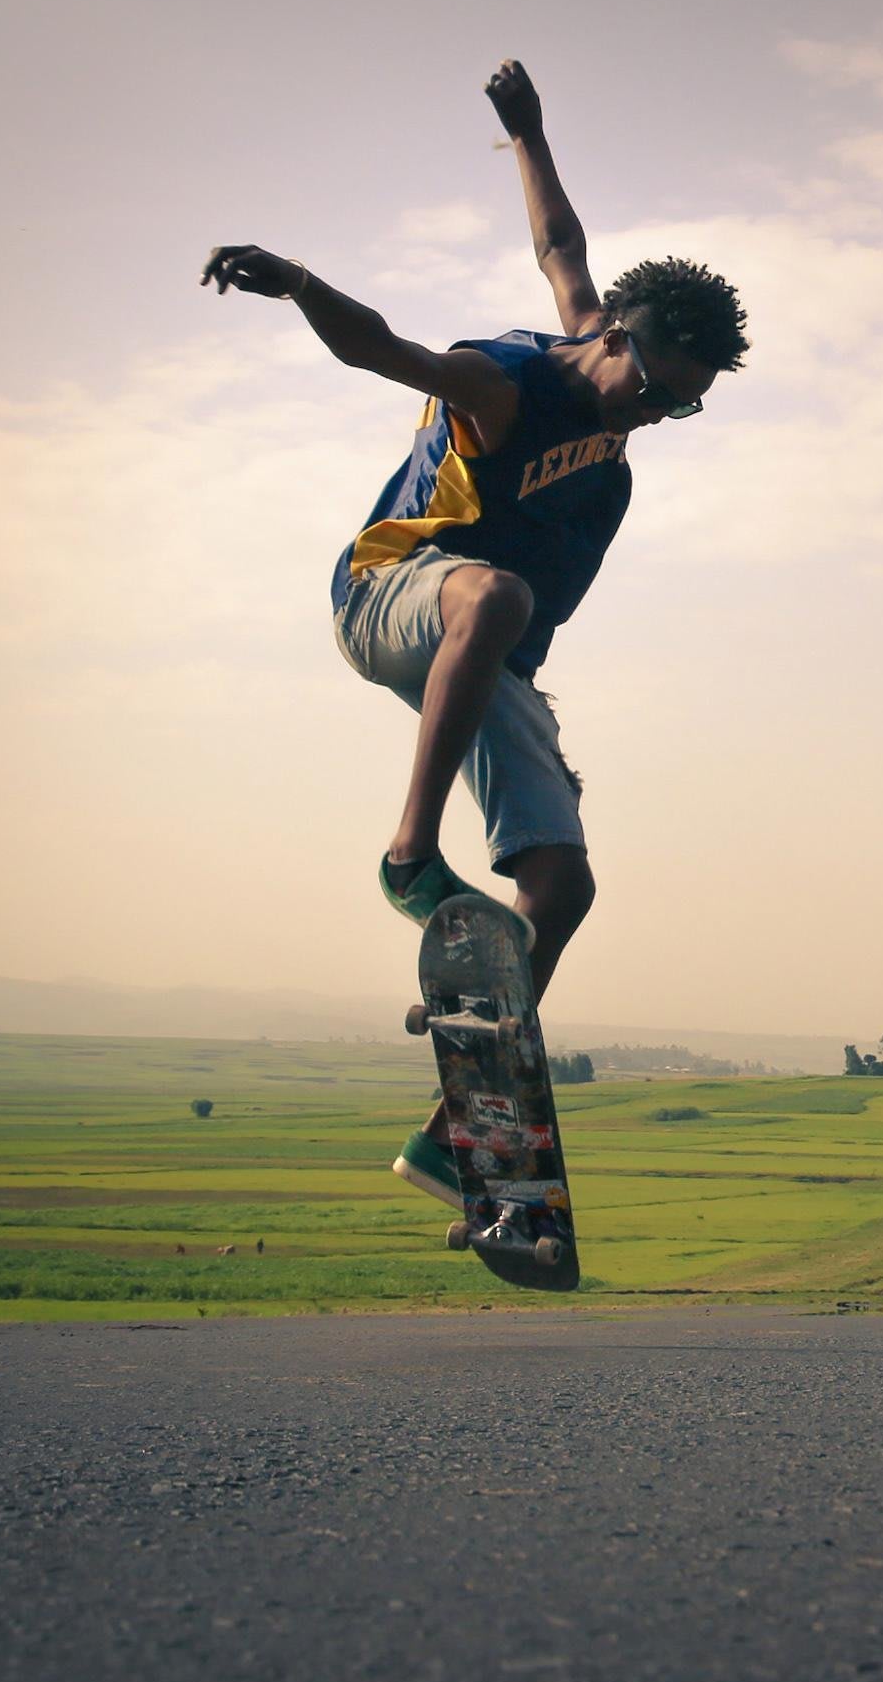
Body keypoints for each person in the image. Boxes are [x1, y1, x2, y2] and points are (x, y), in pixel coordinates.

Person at [202, 61, 748, 1205]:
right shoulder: (506, 386)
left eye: (682, 404)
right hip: (390, 593)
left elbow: (561, 246)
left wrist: (532, 133)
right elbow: (378, 348)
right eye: (655, 388)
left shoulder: (605, 344)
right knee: (495, 594)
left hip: (485, 640)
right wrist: (296, 280)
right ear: (618, 348)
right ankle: (408, 854)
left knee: (562, 882)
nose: (657, 413)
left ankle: (461, 1131)